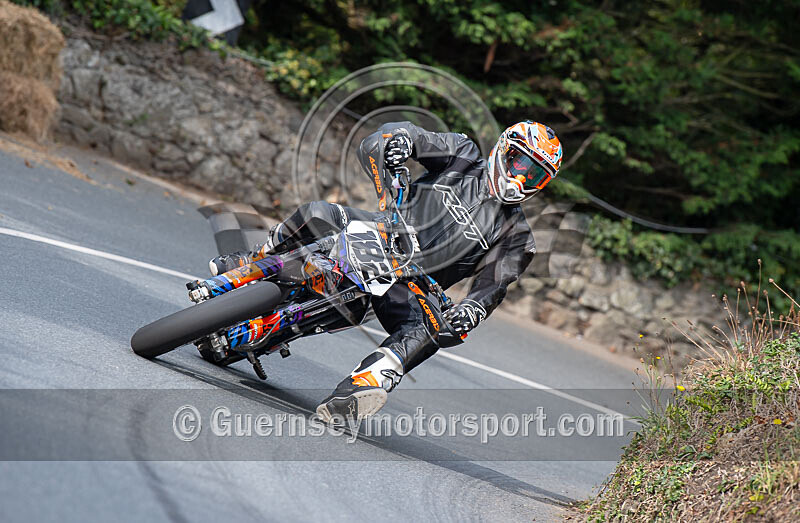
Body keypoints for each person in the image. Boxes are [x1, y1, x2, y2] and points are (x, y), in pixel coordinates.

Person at [209, 121, 563, 422]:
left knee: (431, 329)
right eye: (519, 163)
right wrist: (401, 141)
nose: (520, 177)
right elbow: (405, 135)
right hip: (381, 233)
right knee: (317, 213)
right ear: (504, 150)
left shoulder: (518, 237)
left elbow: (494, 284)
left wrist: (472, 309)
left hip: (412, 284)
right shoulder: (463, 154)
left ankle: (361, 387)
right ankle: (256, 258)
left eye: (534, 174)